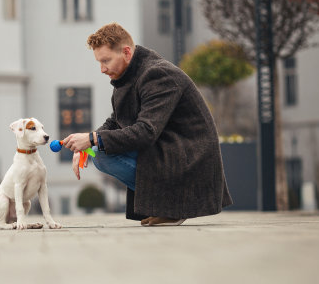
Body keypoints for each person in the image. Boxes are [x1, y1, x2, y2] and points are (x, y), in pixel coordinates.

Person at [63, 22, 233, 226]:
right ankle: (166, 205)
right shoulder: (127, 76)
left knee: (102, 154)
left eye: (106, 60)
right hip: (168, 150)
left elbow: (146, 131)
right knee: (100, 150)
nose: (102, 69)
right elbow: (116, 121)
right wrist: (86, 143)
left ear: (126, 52)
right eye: (99, 62)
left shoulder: (158, 74)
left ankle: (173, 204)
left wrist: (92, 140)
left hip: (190, 157)